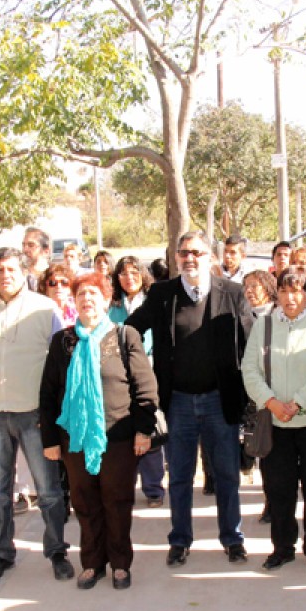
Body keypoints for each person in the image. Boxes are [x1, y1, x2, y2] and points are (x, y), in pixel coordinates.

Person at [126, 231, 255, 567]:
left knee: (226, 474)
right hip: (178, 402)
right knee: (181, 476)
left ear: (209, 256)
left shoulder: (233, 293)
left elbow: (251, 342)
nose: (190, 259)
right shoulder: (161, 294)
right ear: (176, 257)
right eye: (183, 253)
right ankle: (180, 540)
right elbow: (131, 330)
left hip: (219, 400)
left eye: (196, 252)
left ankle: (233, 539)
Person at [0, 248, 75, 583]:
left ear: (24, 272)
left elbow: (60, 365)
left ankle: (56, 551)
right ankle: (2, 552)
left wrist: (52, 411)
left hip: (34, 415)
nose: (5, 275)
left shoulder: (45, 309)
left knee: (49, 490)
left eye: (11, 269)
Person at [40, 272, 158, 590]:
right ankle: (92, 563)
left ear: (107, 300)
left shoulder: (124, 336)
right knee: (84, 502)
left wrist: (143, 432)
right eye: (81, 294)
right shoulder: (63, 341)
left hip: (118, 438)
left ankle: (120, 564)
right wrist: (50, 440)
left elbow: (144, 388)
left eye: (94, 293)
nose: (87, 299)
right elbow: (49, 394)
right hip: (75, 439)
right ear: (73, 302)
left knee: (117, 502)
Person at [242, 266, 306, 572]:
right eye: (284, 291)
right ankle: (282, 548)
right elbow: (250, 369)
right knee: (279, 488)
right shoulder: (265, 325)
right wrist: (272, 403)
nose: (291, 297)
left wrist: (297, 403)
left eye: (298, 290)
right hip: (276, 424)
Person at [109, 255, 165, 508]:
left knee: (149, 427)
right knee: (123, 433)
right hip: (117, 374)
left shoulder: (154, 300)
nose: (129, 278)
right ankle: (124, 487)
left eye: (134, 272)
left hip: (149, 368)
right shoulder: (111, 305)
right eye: (123, 273)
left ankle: (153, 488)